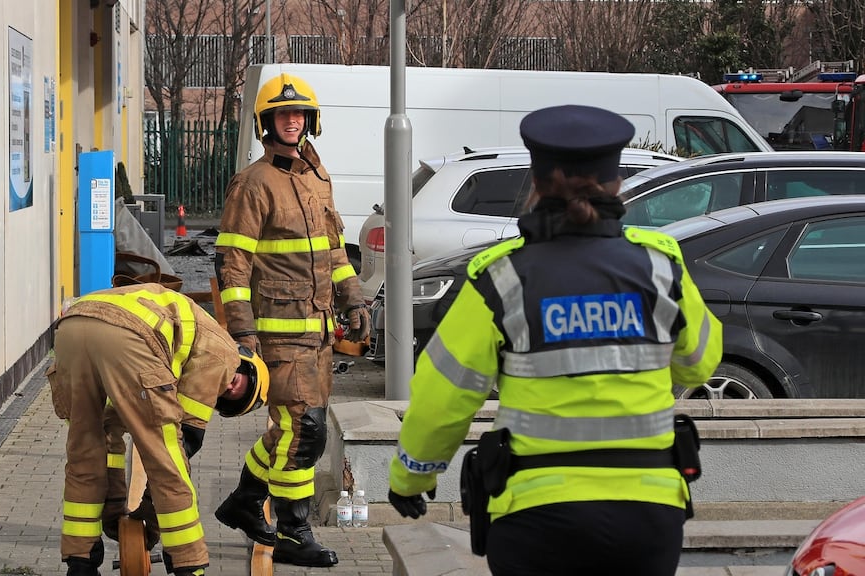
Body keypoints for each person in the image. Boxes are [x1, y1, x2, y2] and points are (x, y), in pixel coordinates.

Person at [386, 104, 723, 576]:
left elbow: (443, 395)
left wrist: (410, 477)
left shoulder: (501, 278)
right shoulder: (660, 268)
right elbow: (699, 364)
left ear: (536, 183)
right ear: (617, 184)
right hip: (647, 514)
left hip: (536, 517)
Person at [213, 73, 370, 568]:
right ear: (267, 122)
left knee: (290, 430)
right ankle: (294, 530)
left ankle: (243, 500)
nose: (292, 121)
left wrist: (355, 301)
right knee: (305, 433)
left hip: (318, 332)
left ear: (310, 121)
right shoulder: (253, 183)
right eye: (283, 115)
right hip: (278, 337)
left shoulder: (316, 178)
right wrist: (242, 334)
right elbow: (231, 264)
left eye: (299, 114)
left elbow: (333, 252)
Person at [48, 280, 269, 576]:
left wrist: (114, 509)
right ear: (245, 364)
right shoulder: (223, 352)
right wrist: (150, 518)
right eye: (239, 385)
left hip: (71, 328)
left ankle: (80, 563)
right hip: (126, 335)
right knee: (169, 461)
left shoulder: (191, 343)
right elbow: (183, 441)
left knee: (85, 450)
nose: (228, 387)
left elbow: (110, 438)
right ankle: (188, 564)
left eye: (228, 398)